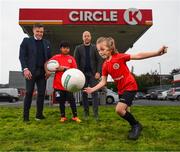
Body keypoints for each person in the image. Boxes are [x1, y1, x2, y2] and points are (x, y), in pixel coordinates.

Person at [84, 37, 168, 140]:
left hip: (130, 85)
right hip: (121, 89)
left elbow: (138, 55)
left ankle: (136, 125)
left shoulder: (119, 57)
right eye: (98, 50)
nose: (100, 52)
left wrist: (157, 53)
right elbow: (103, 81)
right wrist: (92, 89)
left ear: (110, 49)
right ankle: (134, 126)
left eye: (102, 49)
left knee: (119, 109)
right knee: (127, 110)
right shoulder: (105, 65)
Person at [19, 23, 52, 122]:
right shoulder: (26, 41)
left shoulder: (47, 43)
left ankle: (39, 115)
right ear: (33, 31)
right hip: (30, 72)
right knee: (29, 93)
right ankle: (26, 117)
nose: (39, 33)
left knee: (41, 94)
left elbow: (49, 59)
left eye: (41, 32)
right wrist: (25, 69)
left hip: (42, 72)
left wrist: (48, 70)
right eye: (38, 31)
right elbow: (22, 56)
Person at [45, 41, 81, 123]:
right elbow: (48, 63)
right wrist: (47, 71)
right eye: (64, 48)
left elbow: (75, 70)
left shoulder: (71, 59)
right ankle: (63, 116)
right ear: (61, 48)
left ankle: (75, 116)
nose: (66, 49)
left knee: (72, 100)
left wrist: (64, 69)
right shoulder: (56, 58)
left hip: (69, 84)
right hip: (58, 84)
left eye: (67, 48)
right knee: (61, 101)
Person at [74, 31, 103, 120]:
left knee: (94, 93)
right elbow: (76, 62)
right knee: (84, 94)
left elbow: (100, 61)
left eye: (88, 36)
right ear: (82, 38)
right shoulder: (78, 48)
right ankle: (86, 114)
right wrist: (77, 74)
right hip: (82, 75)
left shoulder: (95, 48)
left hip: (93, 74)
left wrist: (99, 72)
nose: (86, 37)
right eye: (85, 36)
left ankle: (96, 114)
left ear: (90, 37)